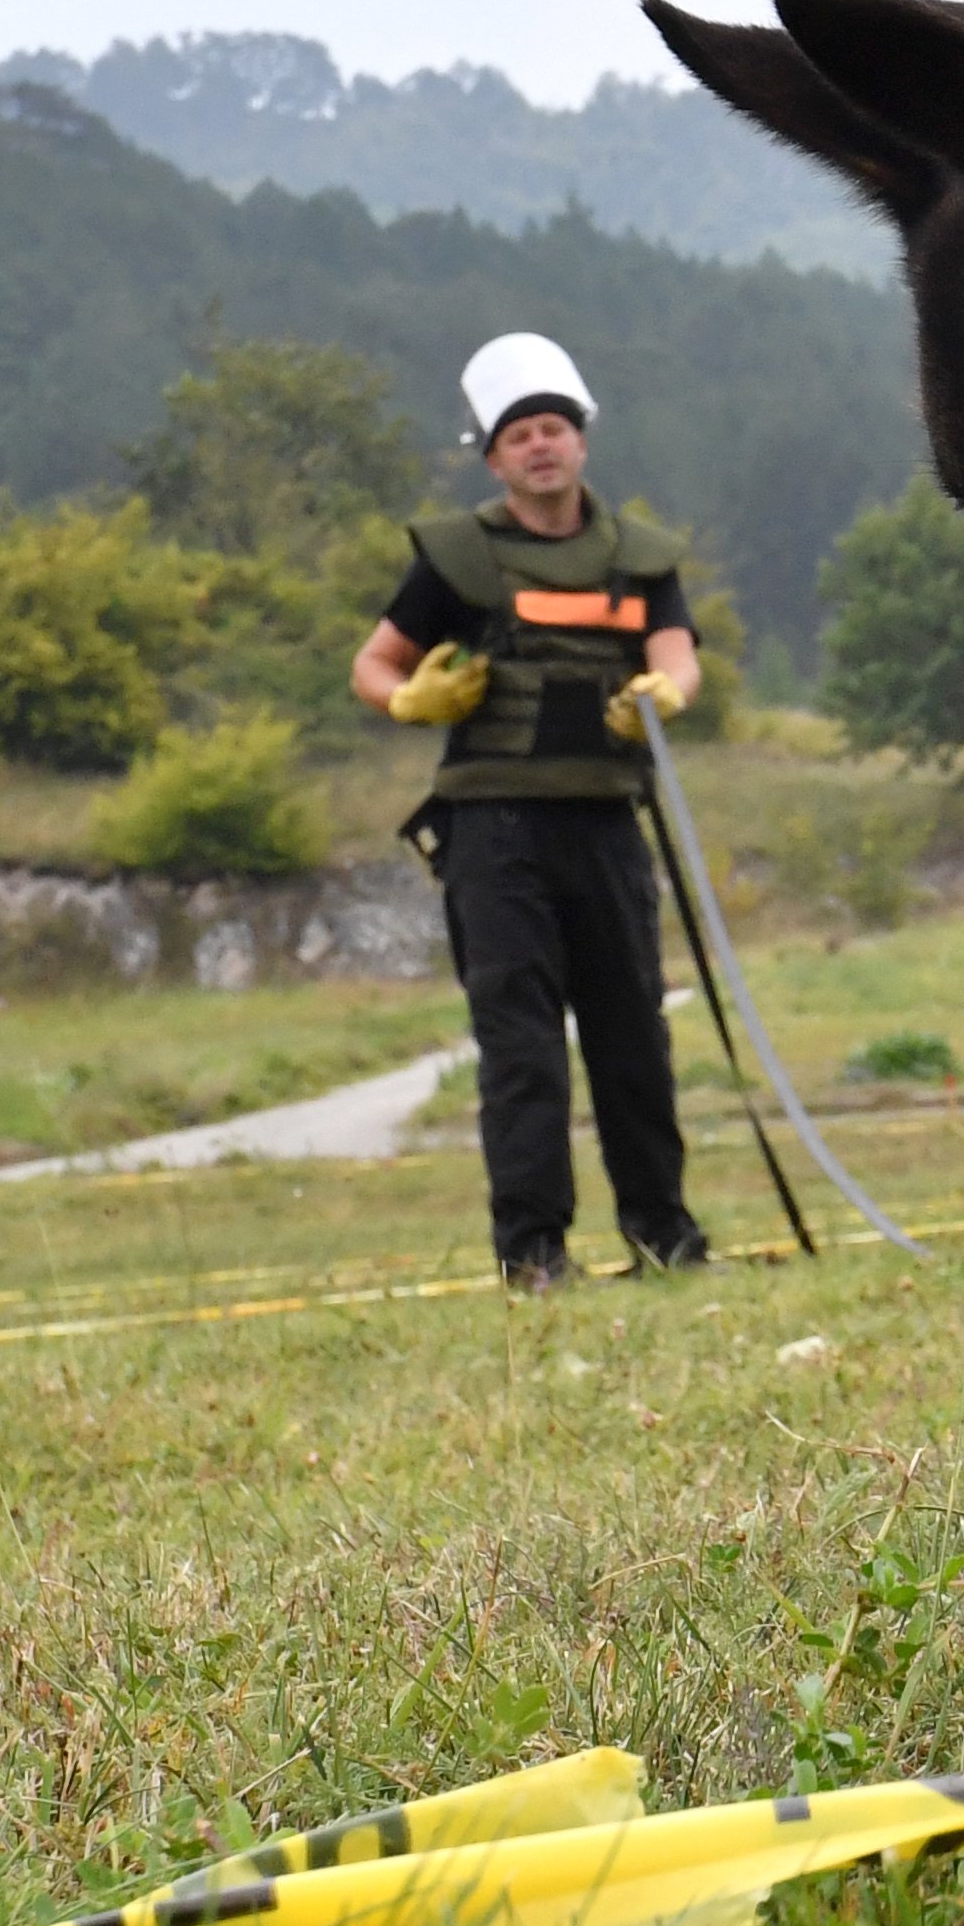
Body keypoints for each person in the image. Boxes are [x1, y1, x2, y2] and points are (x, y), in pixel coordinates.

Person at [351, 332, 711, 1290]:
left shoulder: (638, 558)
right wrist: (408, 699)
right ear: (494, 457)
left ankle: (663, 1237)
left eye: (554, 428)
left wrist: (667, 694)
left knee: (634, 1034)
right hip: (493, 832)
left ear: (582, 441)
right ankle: (534, 1255)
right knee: (521, 1046)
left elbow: (678, 652)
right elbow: (372, 661)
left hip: (608, 824)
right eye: (519, 436)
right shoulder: (457, 559)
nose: (540, 447)